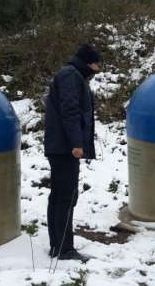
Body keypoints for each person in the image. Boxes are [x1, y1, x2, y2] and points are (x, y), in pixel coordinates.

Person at [44, 44, 101, 262]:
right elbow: (70, 110)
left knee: (60, 195)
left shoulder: (72, 75)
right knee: (66, 197)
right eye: (97, 64)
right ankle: (64, 249)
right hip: (64, 147)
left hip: (60, 146)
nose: (98, 69)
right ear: (89, 62)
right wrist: (77, 143)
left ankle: (57, 245)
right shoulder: (71, 76)